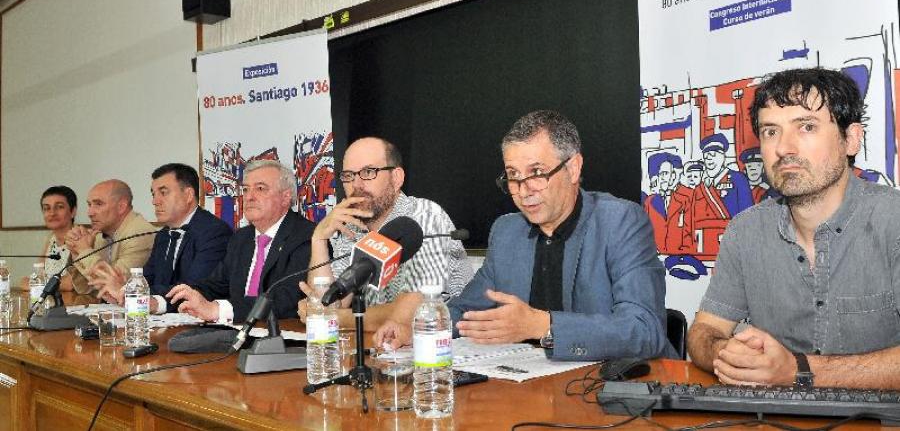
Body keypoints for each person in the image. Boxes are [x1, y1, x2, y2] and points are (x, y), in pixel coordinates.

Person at [376, 110, 674, 361]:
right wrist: (418, 330)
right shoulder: (507, 232)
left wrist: (542, 325)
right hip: (535, 388)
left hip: (620, 390)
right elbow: (467, 311)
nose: (522, 189)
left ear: (572, 168)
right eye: (513, 176)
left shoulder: (620, 221)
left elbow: (644, 330)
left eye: (536, 173)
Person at [687, 67, 900, 389]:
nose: (784, 147)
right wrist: (729, 353)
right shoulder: (745, 231)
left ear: (851, 139)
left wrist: (797, 370)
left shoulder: (892, 219)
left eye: (806, 127)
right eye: (770, 131)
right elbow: (703, 332)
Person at [299, 137, 472, 331]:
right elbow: (328, 303)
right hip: (383, 347)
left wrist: (333, 318)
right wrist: (319, 239)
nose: (356, 184)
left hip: (441, 346)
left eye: (368, 172)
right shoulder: (353, 227)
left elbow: (414, 311)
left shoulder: (424, 217)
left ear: (396, 178)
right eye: (348, 175)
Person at [167, 160, 315, 323]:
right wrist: (177, 299)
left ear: (286, 197)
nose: (249, 197)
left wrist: (217, 310)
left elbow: (289, 299)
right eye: (245, 189)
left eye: (260, 188)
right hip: (236, 331)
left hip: (281, 336)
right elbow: (215, 285)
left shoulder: (306, 236)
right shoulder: (241, 238)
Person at [91, 164, 232, 312]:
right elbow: (148, 277)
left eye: (163, 193)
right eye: (153, 194)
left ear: (188, 195)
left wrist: (131, 292)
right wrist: (124, 289)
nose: (155, 201)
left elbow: (194, 287)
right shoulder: (163, 234)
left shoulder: (213, 232)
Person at [65, 180, 155, 295]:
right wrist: (76, 250)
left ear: (121, 207)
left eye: (98, 204)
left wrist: (84, 251)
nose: (90, 212)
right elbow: (85, 289)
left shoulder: (140, 234)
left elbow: (112, 286)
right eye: (89, 204)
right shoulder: (99, 235)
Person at [22, 186, 79, 291]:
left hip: (75, 304)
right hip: (51, 302)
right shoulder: (51, 239)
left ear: (73, 211)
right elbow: (33, 277)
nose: (52, 213)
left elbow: (71, 284)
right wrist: (37, 282)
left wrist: (38, 284)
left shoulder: (81, 237)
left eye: (59, 207)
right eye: (47, 208)